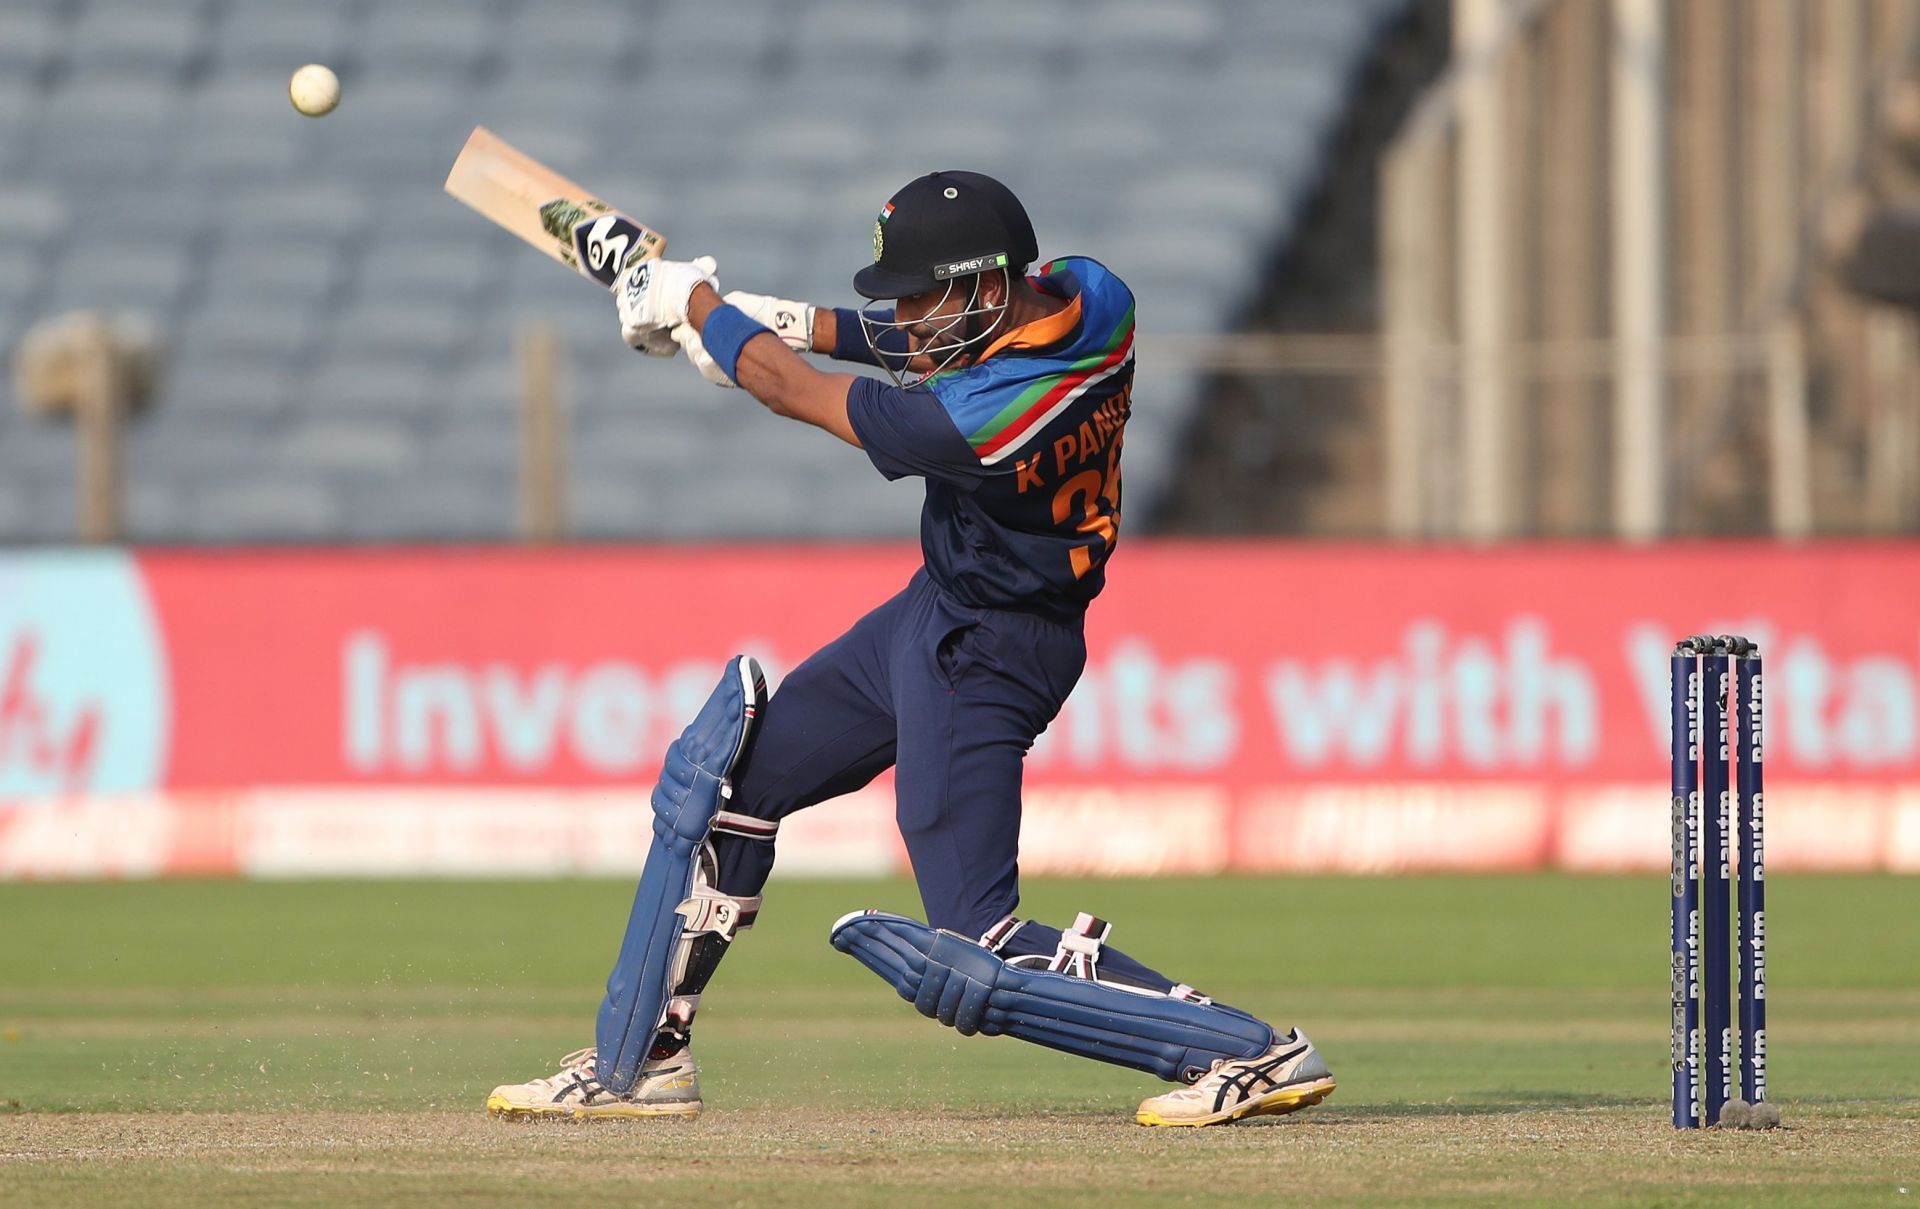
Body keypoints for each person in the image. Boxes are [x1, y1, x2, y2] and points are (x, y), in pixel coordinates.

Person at [485, 171, 1333, 1128]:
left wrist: (703, 308)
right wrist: (776, 319)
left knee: (980, 946)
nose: (908, 318)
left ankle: (1246, 1047)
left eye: (924, 296)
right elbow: (907, 341)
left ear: (984, 287)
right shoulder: (1095, 299)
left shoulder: (985, 420)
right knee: (729, 782)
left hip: (992, 653)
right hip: (935, 610)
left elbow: (793, 394)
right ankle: (645, 1056)